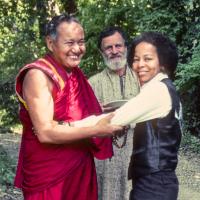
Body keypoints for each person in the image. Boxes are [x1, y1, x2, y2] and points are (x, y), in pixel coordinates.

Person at [14, 14, 122, 200]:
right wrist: (96, 129)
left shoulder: (72, 72)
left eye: (81, 42)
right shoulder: (38, 75)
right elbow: (46, 133)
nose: (77, 49)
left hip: (80, 164)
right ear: (50, 43)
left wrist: (102, 113)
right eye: (69, 43)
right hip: (49, 174)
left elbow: (74, 113)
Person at [78, 31, 182, 200]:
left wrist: (66, 127)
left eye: (148, 59)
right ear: (101, 52)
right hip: (114, 164)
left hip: (151, 177)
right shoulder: (93, 83)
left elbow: (117, 117)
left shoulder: (154, 86)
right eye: (136, 59)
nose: (140, 64)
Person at [89, 27, 139, 200]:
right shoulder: (92, 84)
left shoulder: (141, 78)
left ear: (126, 47)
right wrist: (97, 113)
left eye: (118, 46)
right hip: (104, 159)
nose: (114, 51)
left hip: (136, 152)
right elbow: (84, 123)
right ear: (102, 52)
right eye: (108, 48)